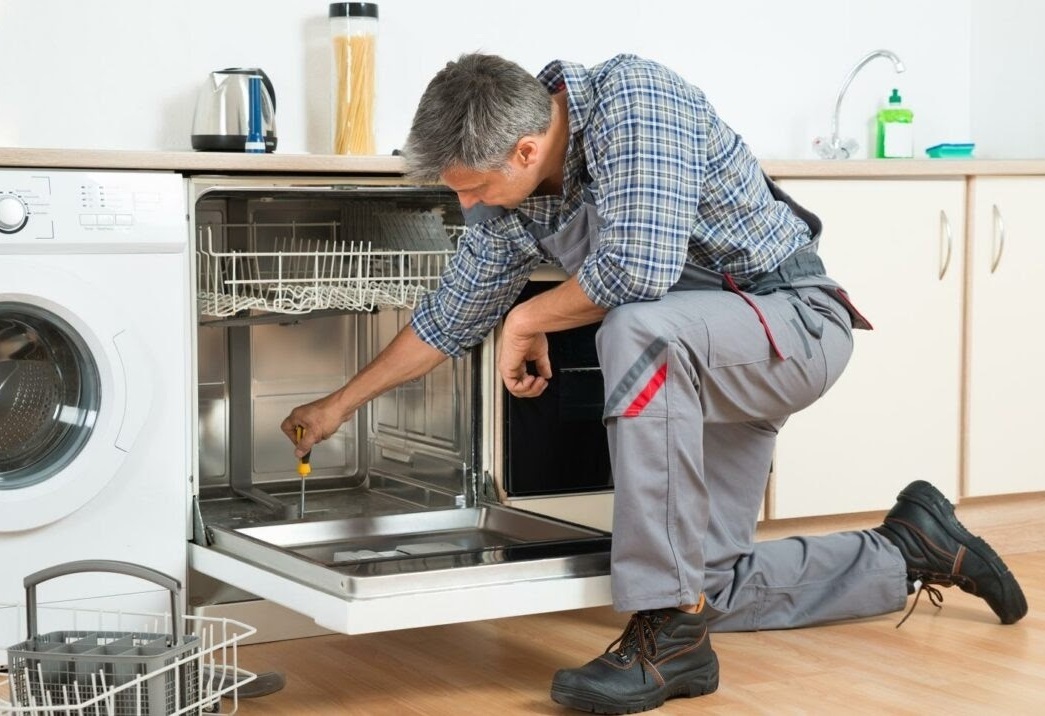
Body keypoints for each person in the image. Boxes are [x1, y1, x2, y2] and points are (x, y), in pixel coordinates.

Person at [282, 53, 1027, 714]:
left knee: (636, 328)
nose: (467, 206)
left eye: (473, 189)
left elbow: (638, 270)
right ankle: (911, 547)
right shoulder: (514, 203)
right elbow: (448, 318)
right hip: (699, 360)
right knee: (715, 586)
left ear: (524, 149)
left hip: (790, 325)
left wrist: (527, 318)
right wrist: (334, 407)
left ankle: (666, 632)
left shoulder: (635, 99)